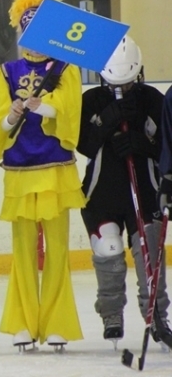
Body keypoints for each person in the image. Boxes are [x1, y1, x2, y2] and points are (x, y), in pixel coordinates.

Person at [0, 0, 85, 351]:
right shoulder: (5, 72)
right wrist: (12, 115)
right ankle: (22, 322)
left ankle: (57, 323)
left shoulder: (66, 70)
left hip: (56, 171)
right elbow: (0, 125)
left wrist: (43, 107)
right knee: (22, 249)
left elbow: (69, 113)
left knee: (57, 249)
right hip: (20, 171)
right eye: (28, 32)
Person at [79, 36, 172, 347]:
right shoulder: (91, 100)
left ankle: (156, 315)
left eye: (129, 83)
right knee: (108, 248)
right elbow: (83, 144)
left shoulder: (153, 99)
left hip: (145, 191)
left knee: (149, 251)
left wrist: (143, 144)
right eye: (115, 84)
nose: (122, 89)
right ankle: (111, 313)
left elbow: (167, 145)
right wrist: (108, 119)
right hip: (101, 194)